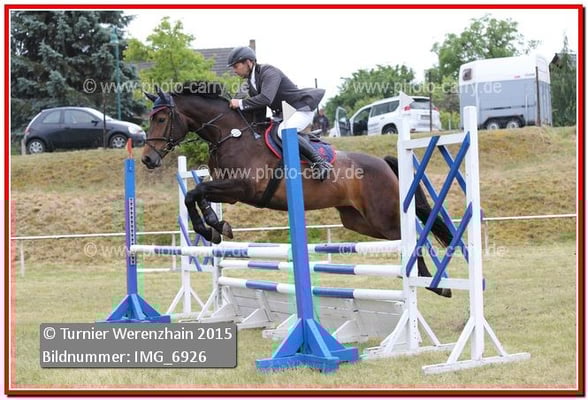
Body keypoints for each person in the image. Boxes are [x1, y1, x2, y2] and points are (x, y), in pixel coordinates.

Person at [227, 46, 332, 181]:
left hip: (301, 108)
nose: (234, 70)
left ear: (248, 62)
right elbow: (259, 108)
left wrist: (241, 103)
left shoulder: (269, 72)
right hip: (286, 112)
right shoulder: (252, 81)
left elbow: (266, 99)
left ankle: (320, 162)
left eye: (236, 66)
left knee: (284, 131)